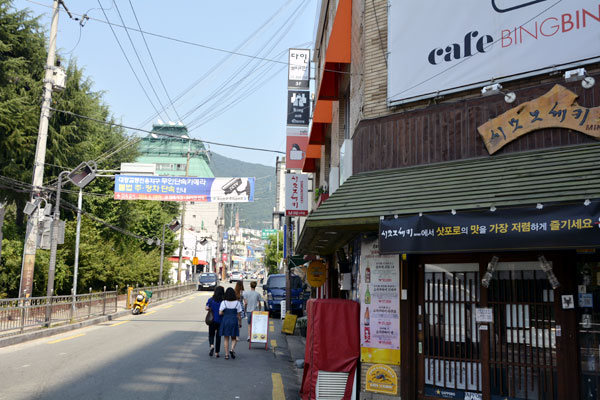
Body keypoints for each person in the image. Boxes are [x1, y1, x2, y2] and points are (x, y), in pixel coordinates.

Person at [219, 287, 243, 359]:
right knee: (234, 337)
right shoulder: (237, 303)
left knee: (226, 338)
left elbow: (220, 313)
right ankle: (232, 349)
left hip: (226, 320)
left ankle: (226, 355)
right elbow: (239, 315)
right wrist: (240, 323)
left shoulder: (224, 302)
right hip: (233, 320)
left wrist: (226, 313)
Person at [205, 286, 224, 358]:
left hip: (212, 320)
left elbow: (206, 307)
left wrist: (210, 308)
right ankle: (217, 353)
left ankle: (212, 346)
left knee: (211, 334)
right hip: (220, 320)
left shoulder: (211, 300)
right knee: (218, 337)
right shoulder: (223, 301)